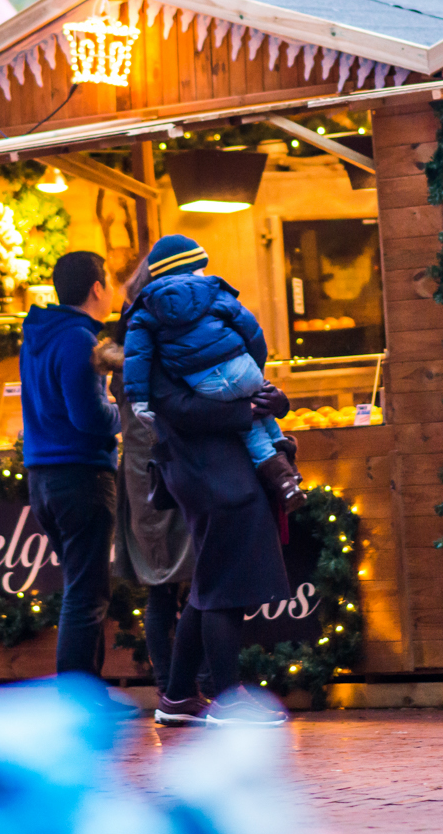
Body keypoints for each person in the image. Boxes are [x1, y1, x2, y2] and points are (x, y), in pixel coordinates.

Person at [149, 366, 293, 727]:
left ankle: (179, 694)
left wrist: (276, 401)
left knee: (212, 576)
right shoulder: (161, 322)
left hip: (214, 465)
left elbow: (241, 365)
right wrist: (244, 411)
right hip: (208, 468)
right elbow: (174, 405)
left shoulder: (194, 318)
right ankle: (227, 699)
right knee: (225, 581)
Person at [122, 235, 304, 513]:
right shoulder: (213, 294)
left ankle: (285, 479)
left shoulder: (148, 323)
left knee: (257, 433)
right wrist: (253, 391)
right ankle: (287, 476)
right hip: (215, 483)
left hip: (229, 478)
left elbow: (143, 378)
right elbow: (179, 409)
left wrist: (276, 402)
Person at [98, 258, 199, 713]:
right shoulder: (163, 346)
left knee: (164, 587)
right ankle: (182, 686)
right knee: (186, 583)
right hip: (166, 476)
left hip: (143, 480)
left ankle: (174, 686)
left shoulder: (122, 349)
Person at [19, 250, 121, 680]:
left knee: (83, 589)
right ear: (96, 288)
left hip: (43, 478)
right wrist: (123, 414)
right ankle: (79, 701)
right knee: (86, 593)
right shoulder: (79, 340)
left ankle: (89, 694)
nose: (114, 289)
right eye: (110, 281)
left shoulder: (40, 335)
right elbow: (89, 418)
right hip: (80, 477)